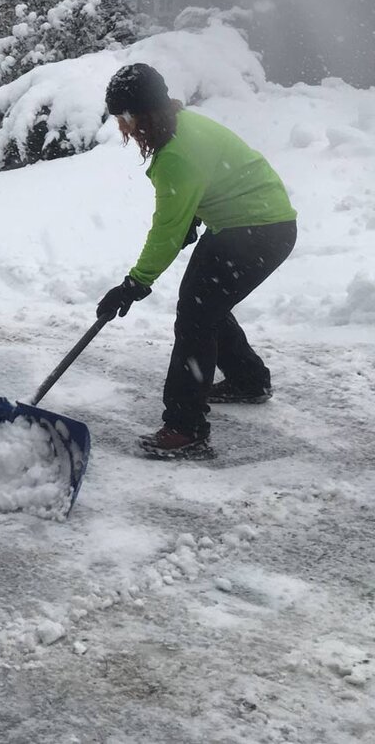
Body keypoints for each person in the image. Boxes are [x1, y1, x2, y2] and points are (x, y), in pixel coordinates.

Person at [96, 63, 298, 460]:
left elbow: (166, 231)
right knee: (206, 306)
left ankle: (185, 428)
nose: (123, 126)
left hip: (256, 229)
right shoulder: (184, 125)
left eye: (125, 116)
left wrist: (134, 283)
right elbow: (216, 182)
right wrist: (196, 217)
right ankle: (248, 381)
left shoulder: (176, 155)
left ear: (145, 113)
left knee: (196, 316)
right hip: (260, 223)